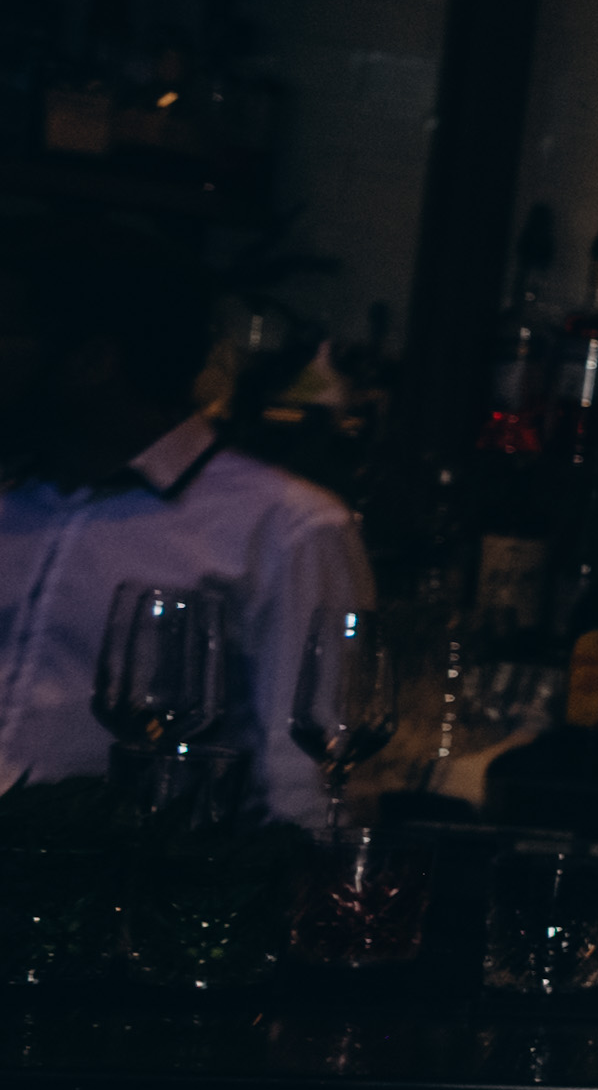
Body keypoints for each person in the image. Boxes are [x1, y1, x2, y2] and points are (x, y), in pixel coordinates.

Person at [0, 222, 369, 823]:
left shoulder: (287, 525)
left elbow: (307, 786)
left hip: (126, 871)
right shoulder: (14, 498)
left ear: (93, 361)